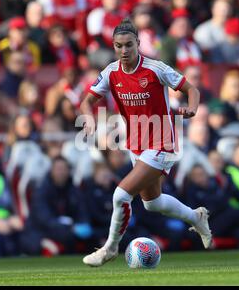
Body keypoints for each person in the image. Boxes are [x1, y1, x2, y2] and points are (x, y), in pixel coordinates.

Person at [80, 18, 212, 267]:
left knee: (121, 195)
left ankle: (109, 249)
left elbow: (191, 89)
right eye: (119, 46)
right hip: (136, 144)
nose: (124, 51)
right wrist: (88, 119)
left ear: (138, 43)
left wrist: (192, 108)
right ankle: (196, 217)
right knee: (153, 204)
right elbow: (87, 101)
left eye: (129, 45)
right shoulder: (111, 73)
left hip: (163, 142)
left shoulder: (156, 68)